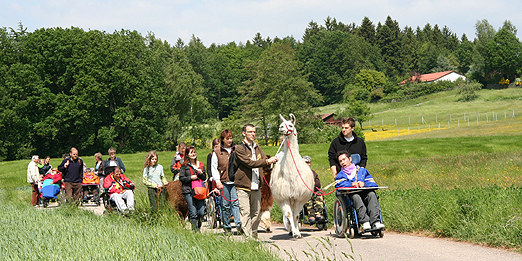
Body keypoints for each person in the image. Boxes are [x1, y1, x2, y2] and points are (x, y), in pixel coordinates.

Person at [234, 124, 278, 238]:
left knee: (257, 213)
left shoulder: (257, 147)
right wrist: (267, 161)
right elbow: (250, 163)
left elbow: (263, 160)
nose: (253, 134)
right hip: (243, 185)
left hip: (256, 184)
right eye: (250, 132)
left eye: (254, 132)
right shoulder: (239, 148)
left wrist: (271, 161)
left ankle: (253, 234)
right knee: (246, 212)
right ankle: (248, 237)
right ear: (244, 133)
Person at [335, 151, 384, 230]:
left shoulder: (362, 171)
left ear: (350, 159)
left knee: (371, 194)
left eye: (344, 159)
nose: (343, 162)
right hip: (351, 196)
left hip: (365, 193)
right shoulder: (340, 174)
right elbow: (339, 185)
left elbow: (373, 183)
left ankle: (375, 222)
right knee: (356, 197)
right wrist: (351, 184)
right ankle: (365, 222)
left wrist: (364, 183)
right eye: (340, 161)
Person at [212, 130, 242, 234]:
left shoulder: (236, 149)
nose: (230, 140)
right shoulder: (217, 152)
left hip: (235, 181)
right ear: (223, 139)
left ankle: (239, 225)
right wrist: (217, 181)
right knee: (225, 205)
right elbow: (214, 167)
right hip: (223, 181)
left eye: (231, 138)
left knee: (235, 203)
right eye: (227, 138)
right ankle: (227, 226)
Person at [179, 146, 207, 231]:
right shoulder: (184, 166)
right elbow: (181, 178)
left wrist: (200, 173)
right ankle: (196, 231)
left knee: (201, 212)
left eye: (194, 152)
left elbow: (204, 177)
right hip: (188, 190)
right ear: (187, 155)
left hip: (199, 190)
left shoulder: (200, 164)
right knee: (193, 212)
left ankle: (198, 225)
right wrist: (190, 177)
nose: (193, 154)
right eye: (191, 152)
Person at [302, 156, 325, 223]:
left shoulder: (313, 173)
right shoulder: (300, 173)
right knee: (308, 199)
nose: (308, 164)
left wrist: (313, 183)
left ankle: (318, 214)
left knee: (319, 195)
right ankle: (311, 215)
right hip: (305, 192)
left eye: (309, 162)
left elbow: (318, 183)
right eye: (306, 162)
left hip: (314, 190)